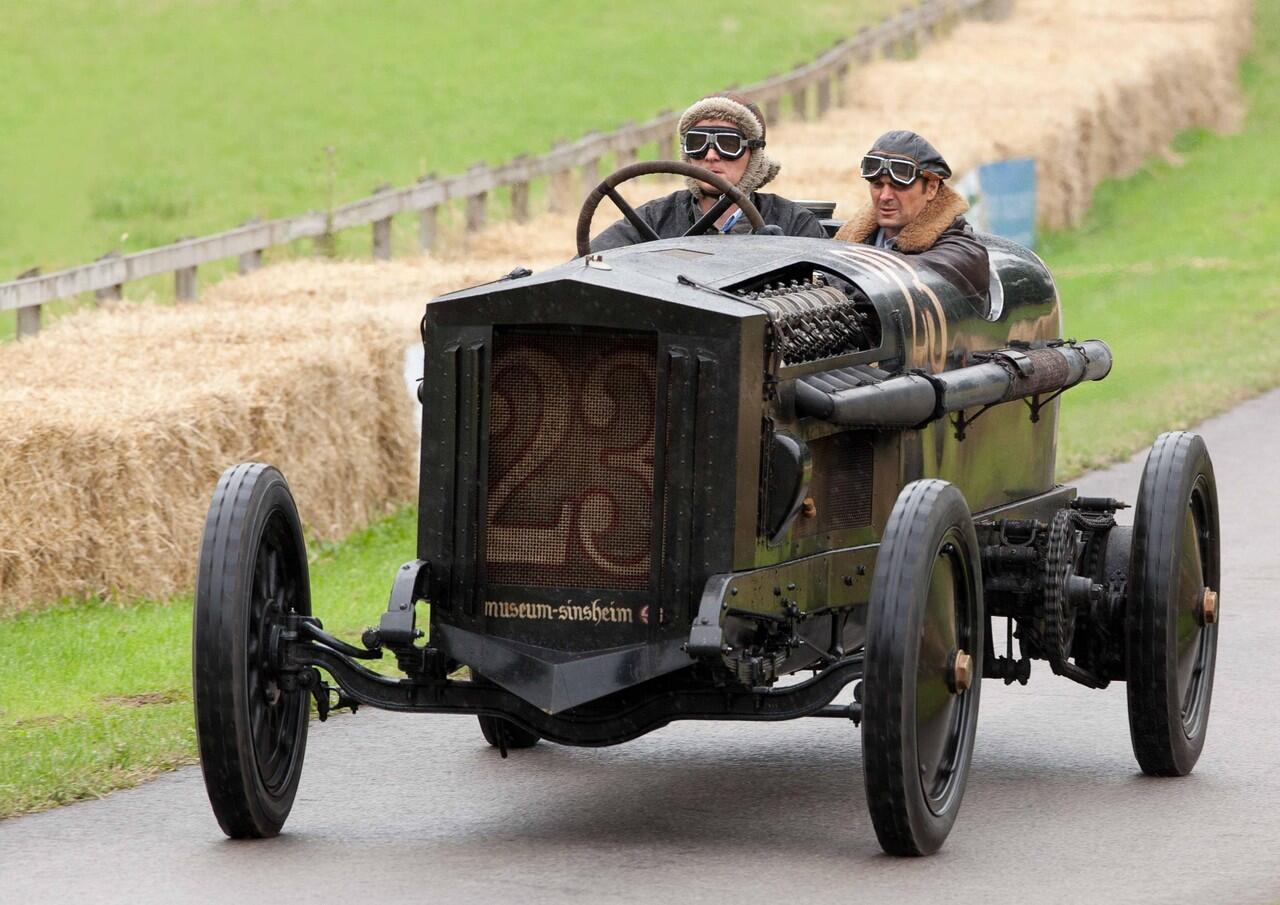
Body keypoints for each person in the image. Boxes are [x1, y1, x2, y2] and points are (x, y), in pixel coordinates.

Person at [590, 92, 827, 251]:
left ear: (754, 155)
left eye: (729, 145)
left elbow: (837, 295)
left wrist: (782, 261)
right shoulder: (653, 220)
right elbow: (588, 266)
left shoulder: (795, 224)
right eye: (697, 144)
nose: (711, 155)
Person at [835, 130, 989, 304]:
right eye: (877, 185)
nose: (885, 196)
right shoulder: (847, 238)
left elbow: (905, 283)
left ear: (931, 188)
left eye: (898, 186)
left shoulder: (963, 254)